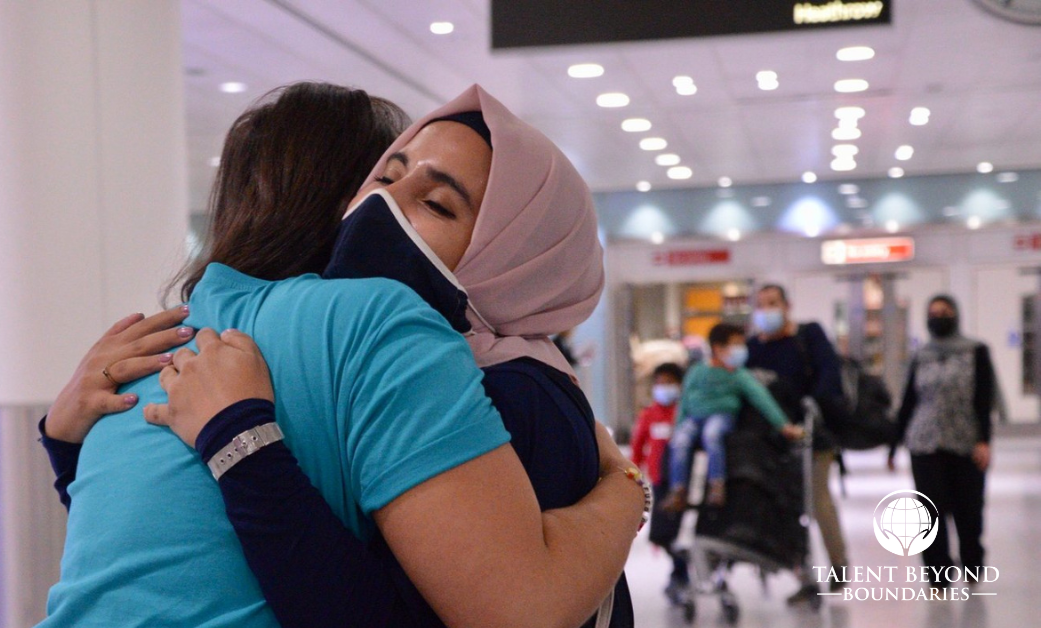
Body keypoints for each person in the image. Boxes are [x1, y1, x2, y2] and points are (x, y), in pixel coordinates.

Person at [39, 82, 646, 628]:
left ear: (518, 253)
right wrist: (626, 493)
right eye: (384, 178)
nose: (382, 208)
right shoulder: (354, 326)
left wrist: (71, 445)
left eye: (436, 204)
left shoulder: (177, 338)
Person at [746, 283, 850, 601]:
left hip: (813, 434)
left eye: (773, 303)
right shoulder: (754, 347)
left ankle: (839, 566)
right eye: (761, 305)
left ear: (787, 305)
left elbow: (829, 372)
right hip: (775, 441)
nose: (767, 310)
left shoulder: (809, 335)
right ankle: (804, 575)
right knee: (786, 507)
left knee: (817, 500)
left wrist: (813, 403)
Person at [891, 295, 995, 584]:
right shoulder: (921, 355)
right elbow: (908, 401)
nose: (938, 318)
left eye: (944, 312)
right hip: (924, 441)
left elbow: (984, 398)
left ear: (956, 315)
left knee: (969, 508)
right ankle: (937, 574)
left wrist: (984, 440)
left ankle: (972, 563)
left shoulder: (976, 352)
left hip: (966, 440)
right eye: (933, 313)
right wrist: (893, 444)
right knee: (930, 510)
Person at [660, 322, 802, 512]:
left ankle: (716, 485)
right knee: (680, 441)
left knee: (712, 435)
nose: (741, 350)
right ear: (718, 348)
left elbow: (762, 398)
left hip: (720, 416)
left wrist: (783, 425)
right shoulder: (697, 371)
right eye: (736, 344)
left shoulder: (739, 375)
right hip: (694, 418)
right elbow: (684, 401)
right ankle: (678, 490)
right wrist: (677, 427)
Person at [629, 361, 689, 602]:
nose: (663, 388)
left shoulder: (685, 413)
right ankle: (680, 570)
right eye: (659, 383)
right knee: (663, 533)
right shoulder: (649, 414)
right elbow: (638, 447)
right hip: (660, 481)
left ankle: (681, 573)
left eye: (669, 383)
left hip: (683, 482)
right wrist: (633, 475)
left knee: (683, 531)